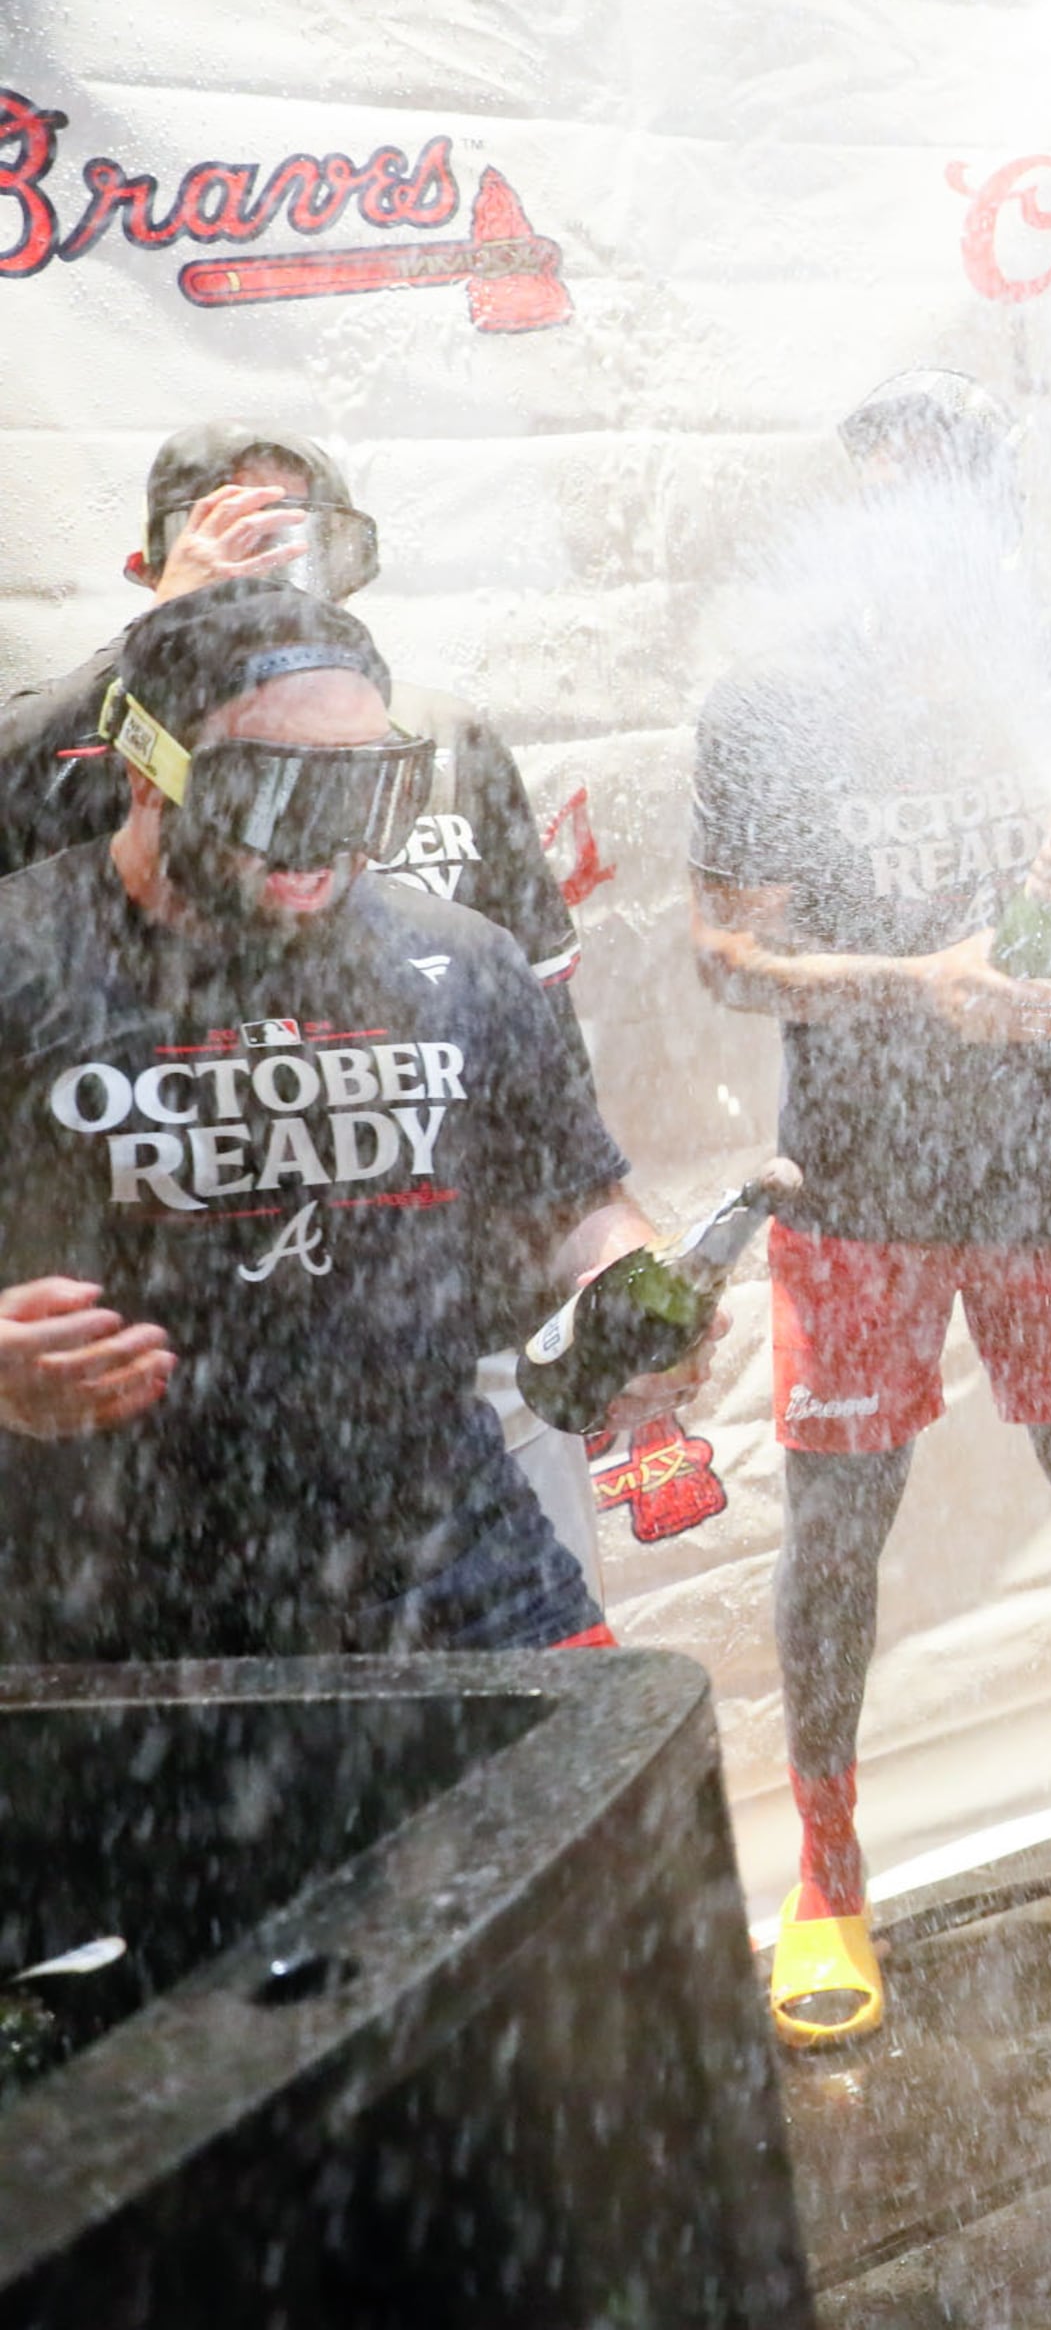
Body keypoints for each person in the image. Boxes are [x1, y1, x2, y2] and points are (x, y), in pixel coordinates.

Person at [691, 370, 1051, 2049]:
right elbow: (722, 953)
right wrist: (925, 978)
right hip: (855, 1190)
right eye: (887, 492)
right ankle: (826, 1883)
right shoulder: (774, 703)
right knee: (839, 1531)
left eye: (952, 489)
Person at [0, 582, 702, 1666]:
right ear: (147, 768)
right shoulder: (19, 960)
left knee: (617, 1822)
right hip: (117, 1597)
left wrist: (631, 1286)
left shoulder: (462, 958)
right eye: (276, 787)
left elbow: (574, 1204)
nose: (324, 840)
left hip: (453, 1565)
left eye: (364, 789)